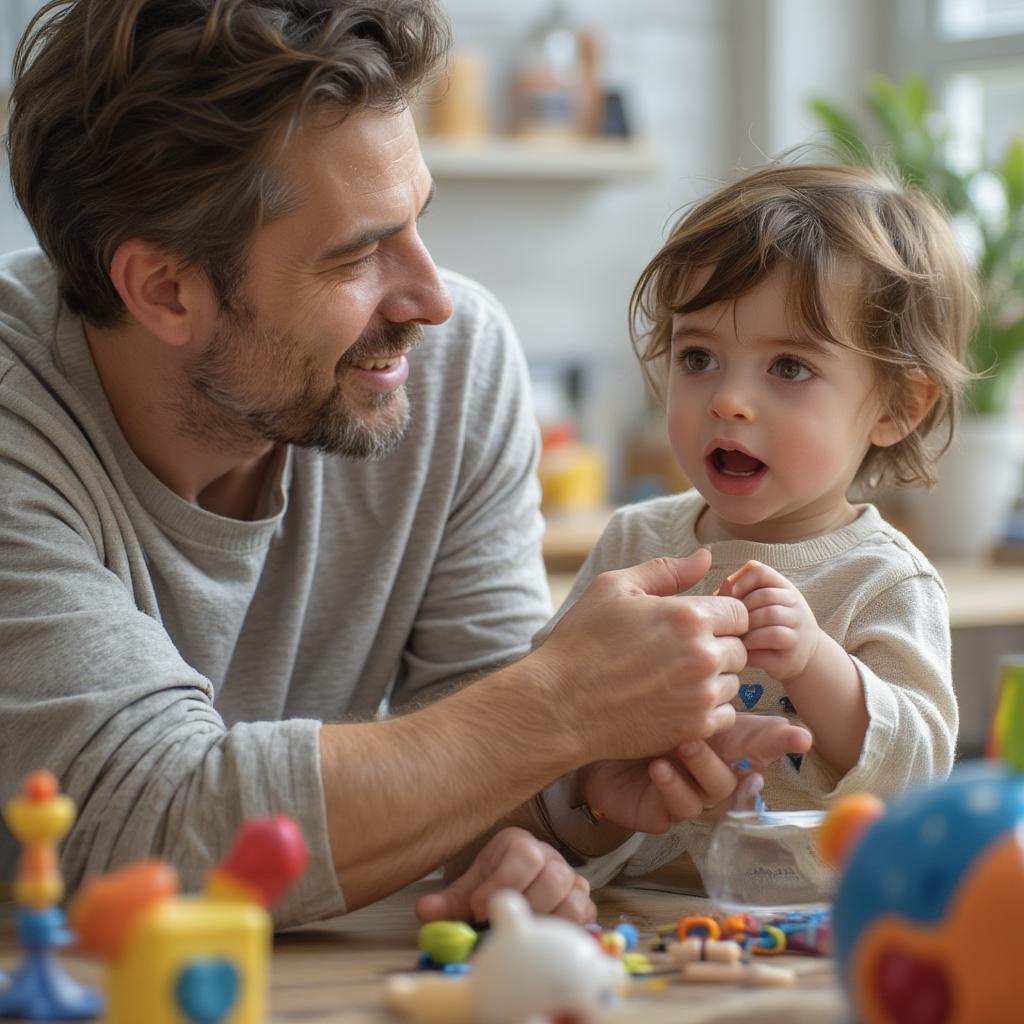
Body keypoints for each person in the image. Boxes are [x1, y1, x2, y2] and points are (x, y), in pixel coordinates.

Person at [0, 0, 810, 927]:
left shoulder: (451, 376)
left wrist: (572, 801)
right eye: (357, 256)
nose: (433, 301)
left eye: (419, 220)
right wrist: (557, 710)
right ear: (164, 290)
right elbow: (147, 830)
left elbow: (477, 753)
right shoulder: (19, 414)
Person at [535, 162, 976, 890]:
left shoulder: (885, 578)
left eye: (790, 368)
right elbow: (543, 718)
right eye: (699, 357)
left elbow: (920, 771)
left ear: (898, 406)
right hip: (630, 915)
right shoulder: (636, 546)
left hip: (809, 932)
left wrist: (814, 665)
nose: (730, 401)